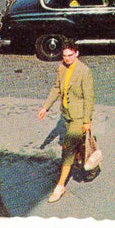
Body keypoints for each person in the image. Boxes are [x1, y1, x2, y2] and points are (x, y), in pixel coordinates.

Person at [37, 39, 94, 203]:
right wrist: (45, 107)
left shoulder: (84, 71)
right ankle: (82, 164)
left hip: (79, 117)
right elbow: (56, 88)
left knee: (67, 148)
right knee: (75, 146)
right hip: (66, 115)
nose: (67, 59)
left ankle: (60, 186)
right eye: (64, 56)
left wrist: (87, 120)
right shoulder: (61, 68)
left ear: (77, 54)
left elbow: (89, 98)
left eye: (70, 55)